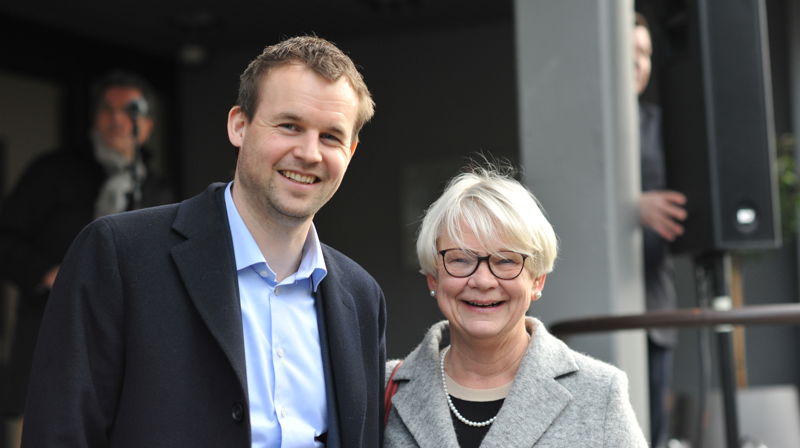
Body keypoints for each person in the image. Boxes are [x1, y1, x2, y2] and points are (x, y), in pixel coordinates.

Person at [22, 36, 386, 447]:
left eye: (330, 137)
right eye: (290, 125)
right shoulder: (118, 256)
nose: (309, 152)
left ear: (351, 151)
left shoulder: (362, 298)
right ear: (239, 125)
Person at [384, 163, 647, 447]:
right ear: (433, 278)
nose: (483, 280)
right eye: (460, 259)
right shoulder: (381, 386)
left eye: (506, 260)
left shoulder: (600, 392)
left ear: (537, 281)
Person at [0, 71, 173, 428]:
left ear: (148, 124)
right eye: (107, 110)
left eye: (130, 110)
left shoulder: (155, 188)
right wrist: (47, 273)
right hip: (53, 329)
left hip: (126, 342)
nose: (117, 120)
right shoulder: (54, 171)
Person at [634, 12, 688, 447]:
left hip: (654, 304)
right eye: (629, 52)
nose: (639, 62)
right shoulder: (577, 130)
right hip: (594, 300)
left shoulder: (662, 125)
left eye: (645, 53)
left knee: (655, 432)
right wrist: (631, 207)